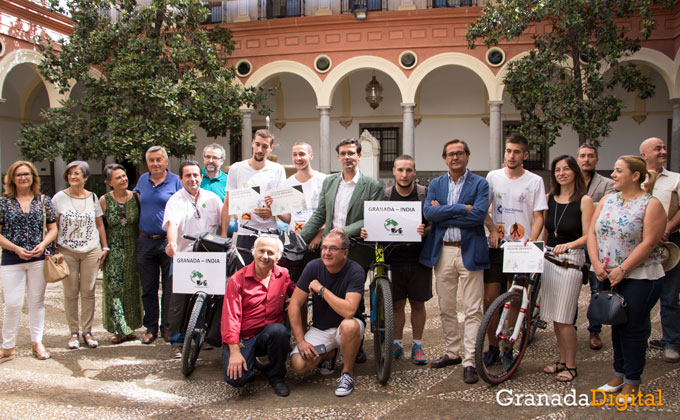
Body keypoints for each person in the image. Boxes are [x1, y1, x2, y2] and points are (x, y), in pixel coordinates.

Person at [587, 155, 665, 401]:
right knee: (616, 324)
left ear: (636, 176)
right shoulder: (608, 200)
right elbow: (591, 232)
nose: (613, 175)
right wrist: (597, 264)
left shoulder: (651, 204)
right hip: (607, 274)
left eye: (619, 171)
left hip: (640, 277)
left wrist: (624, 268)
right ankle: (619, 373)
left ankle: (632, 379)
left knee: (633, 328)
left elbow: (650, 241)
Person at [299, 138, 384, 363]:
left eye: (351, 153)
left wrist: (343, 230)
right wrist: (301, 238)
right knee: (325, 292)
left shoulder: (372, 186)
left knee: (355, 297)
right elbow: (320, 213)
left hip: (356, 248)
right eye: (343, 153)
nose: (347, 157)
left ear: (359, 156)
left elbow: (371, 217)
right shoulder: (329, 182)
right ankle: (329, 340)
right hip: (329, 249)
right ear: (338, 157)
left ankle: (355, 344)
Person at [419, 140, 489, 384]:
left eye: (460, 153)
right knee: (446, 307)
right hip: (444, 252)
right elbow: (429, 214)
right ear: (445, 158)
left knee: (472, 309)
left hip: (470, 250)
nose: (455, 157)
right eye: (451, 154)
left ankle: (470, 359)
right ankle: (452, 353)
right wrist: (461, 208)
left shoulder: (481, 183)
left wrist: (445, 214)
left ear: (467, 156)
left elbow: (478, 216)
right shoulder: (436, 184)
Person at [483, 134, 548, 366]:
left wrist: (533, 237)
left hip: (521, 248)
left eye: (516, 152)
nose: (511, 156)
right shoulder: (493, 177)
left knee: (516, 299)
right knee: (490, 299)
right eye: (508, 151)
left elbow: (539, 214)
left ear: (525, 155)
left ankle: (509, 346)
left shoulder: (535, 181)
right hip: (496, 246)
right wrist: (492, 230)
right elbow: (484, 209)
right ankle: (492, 346)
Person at [360, 155, 431, 364]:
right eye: (400, 170)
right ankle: (397, 343)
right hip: (393, 259)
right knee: (397, 305)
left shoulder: (423, 195)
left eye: (409, 170)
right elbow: (376, 223)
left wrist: (424, 231)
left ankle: (417, 345)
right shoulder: (385, 196)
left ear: (414, 172)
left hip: (419, 259)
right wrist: (367, 231)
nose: (404, 174)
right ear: (393, 171)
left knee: (418, 304)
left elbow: (432, 225)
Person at [288, 232, 366, 397]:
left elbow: (349, 311)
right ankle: (329, 354)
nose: (326, 253)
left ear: (345, 252)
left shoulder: (355, 270)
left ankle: (347, 373)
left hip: (346, 327)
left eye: (333, 248)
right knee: (298, 364)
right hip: (321, 328)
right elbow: (294, 304)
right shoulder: (313, 267)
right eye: (324, 248)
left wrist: (321, 290)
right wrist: (300, 341)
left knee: (349, 325)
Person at [540, 155, 594, 382]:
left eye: (566, 169)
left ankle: (571, 365)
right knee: (555, 317)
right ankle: (561, 360)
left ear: (575, 172)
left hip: (570, 260)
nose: (561, 173)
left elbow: (589, 235)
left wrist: (569, 245)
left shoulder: (585, 200)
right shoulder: (549, 198)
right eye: (558, 170)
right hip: (549, 259)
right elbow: (545, 231)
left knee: (564, 318)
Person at [221, 236, 295, 397]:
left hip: (268, 334)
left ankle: (277, 376)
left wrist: (294, 300)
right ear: (254, 252)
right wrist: (234, 351)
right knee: (237, 380)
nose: (265, 256)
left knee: (279, 331)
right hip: (243, 338)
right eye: (261, 251)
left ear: (278, 257)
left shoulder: (283, 274)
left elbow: (295, 291)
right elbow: (230, 318)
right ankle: (250, 362)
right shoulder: (237, 280)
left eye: (270, 252)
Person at [163, 160, 223, 356]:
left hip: (210, 258)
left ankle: (200, 336)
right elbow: (172, 223)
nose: (193, 179)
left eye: (196, 175)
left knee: (208, 299)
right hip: (184, 257)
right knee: (178, 301)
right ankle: (177, 341)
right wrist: (172, 244)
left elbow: (224, 223)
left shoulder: (213, 198)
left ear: (201, 176)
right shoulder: (175, 200)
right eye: (188, 175)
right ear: (181, 179)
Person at [0, 161, 57, 362]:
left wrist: (43, 245)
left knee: (37, 302)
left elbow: (53, 228)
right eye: (18, 175)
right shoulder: (4, 202)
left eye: (27, 174)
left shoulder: (43, 201)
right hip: (11, 259)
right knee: (13, 304)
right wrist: (15, 248)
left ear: (33, 177)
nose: (23, 178)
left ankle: (37, 342)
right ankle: (7, 346)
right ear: (12, 179)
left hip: (38, 258)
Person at [52, 161, 108, 350]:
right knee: (70, 292)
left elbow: (100, 224)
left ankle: (88, 331)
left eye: (77, 174)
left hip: (91, 250)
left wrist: (105, 247)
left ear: (85, 177)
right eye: (70, 174)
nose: (73, 177)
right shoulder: (59, 198)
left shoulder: (93, 198)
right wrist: (54, 248)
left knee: (88, 291)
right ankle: (73, 332)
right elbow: (54, 225)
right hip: (66, 250)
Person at [133, 146, 182, 345]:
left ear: (166, 161)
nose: (155, 164)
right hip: (145, 241)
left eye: (158, 160)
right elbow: (138, 202)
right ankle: (151, 327)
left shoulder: (175, 181)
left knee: (170, 288)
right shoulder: (142, 180)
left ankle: (167, 327)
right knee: (148, 287)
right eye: (151, 160)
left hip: (167, 241)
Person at [640, 137, 680, 363]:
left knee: (670, 295)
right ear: (644, 154)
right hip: (642, 245)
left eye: (664, 147)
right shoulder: (637, 178)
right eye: (658, 149)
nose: (663, 151)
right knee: (642, 295)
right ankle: (641, 338)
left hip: (670, 243)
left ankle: (672, 342)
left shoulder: (676, 179)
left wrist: (667, 227)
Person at [577, 142, 615, 351]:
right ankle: (568, 328)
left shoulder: (607, 184)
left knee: (597, 287)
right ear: (578, 158)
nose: (586, 159)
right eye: (583, 155)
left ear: (596, 159)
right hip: (574, 241)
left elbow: (605, 210)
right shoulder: (570, 181)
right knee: (570, 286)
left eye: (590, 156)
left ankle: (594, 330)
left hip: (597, 243)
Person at [99, 164, 142, 344]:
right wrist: (104, 247)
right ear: (109, 182)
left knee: (132, 288)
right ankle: (118, 329)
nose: (123, 179)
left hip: (134, 248)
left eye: (124, 176)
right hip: (114, 249)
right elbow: (100, 225)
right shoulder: (104, 200)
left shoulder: (136, 197)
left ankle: (130, 328)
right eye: (118, 178)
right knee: (114, 289)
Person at [219, 129, 286, 246]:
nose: (260, 150)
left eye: (265, 146)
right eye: (257, 144)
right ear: (252, 143)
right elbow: (228, 203)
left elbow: (281, 205)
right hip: (244, 232)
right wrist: (223, 234)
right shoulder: (236, 169)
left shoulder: (278, 170)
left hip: (268, 233)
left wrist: (271, 212)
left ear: (271, 148)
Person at [278, 141, 327, 281]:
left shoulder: (324, 180)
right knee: (296, 285)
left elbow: (330, 212)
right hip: (295, 243)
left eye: (302, 154)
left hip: (317, 243)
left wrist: (319, 235)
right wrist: (275, 209)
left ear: (311, 156)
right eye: (295, 155)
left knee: (317, 283)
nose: (298, 158)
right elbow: (289, 218)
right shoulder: (287, 183)